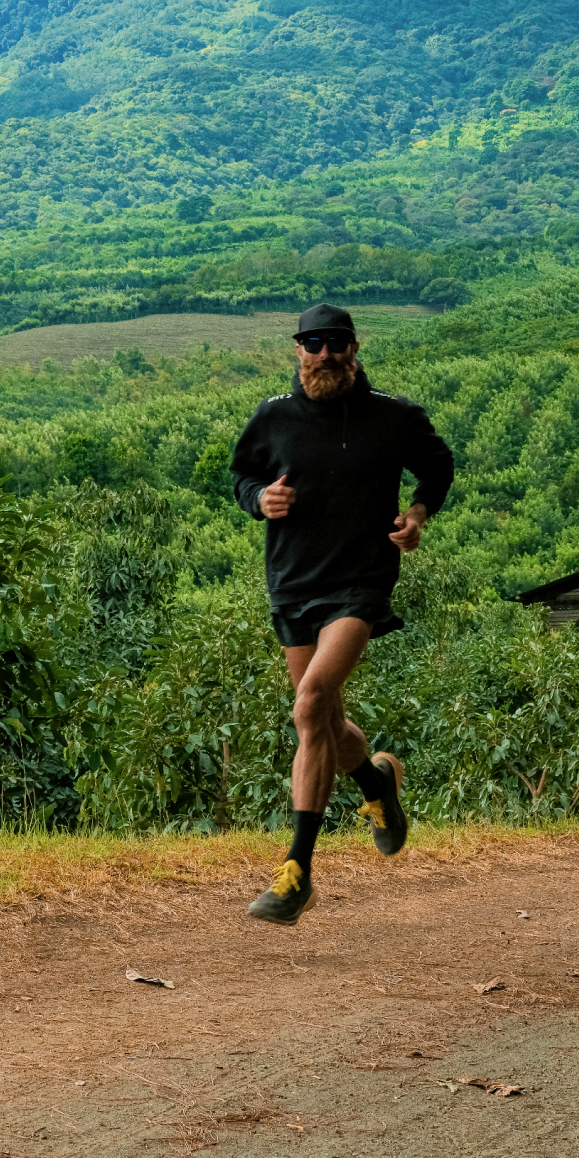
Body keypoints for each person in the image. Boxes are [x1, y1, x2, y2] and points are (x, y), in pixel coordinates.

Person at [226, 303, 455, 925]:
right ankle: (377, 784)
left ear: (355, 348)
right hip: (293, 583)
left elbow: (437, 466)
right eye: (313, 343)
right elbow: (241, 474)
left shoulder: (394, 417)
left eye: (336, 344)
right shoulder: (273, 417)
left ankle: (296, 871)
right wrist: (259, 499)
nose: (324, 354)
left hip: (360, 583)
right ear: (298, 349)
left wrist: (418, 514)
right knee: (325, 720)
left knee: (309, 704)